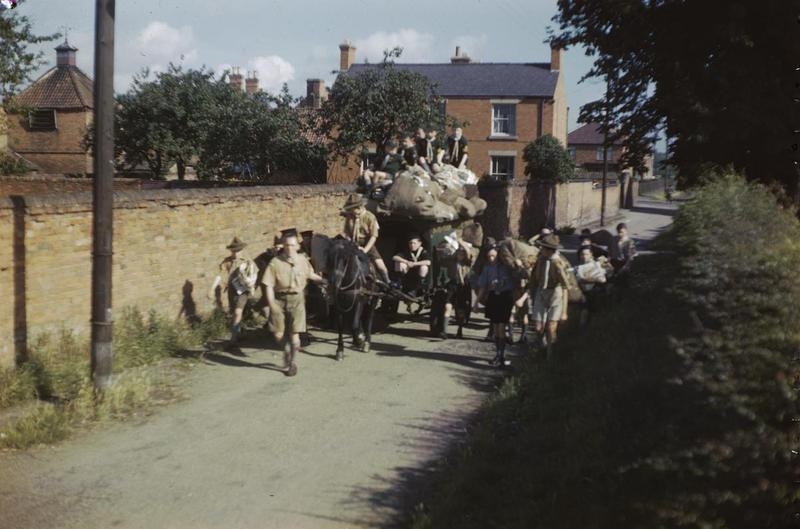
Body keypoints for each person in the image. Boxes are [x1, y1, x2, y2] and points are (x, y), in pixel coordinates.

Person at [262, 228, 326, 377]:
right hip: (278, 300)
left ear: (297, 246)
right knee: (278, 334)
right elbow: (268, 285)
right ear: (283, 246)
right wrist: (271, 303)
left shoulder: (303, 260)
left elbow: (310, 274)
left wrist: (322, 280)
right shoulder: (275, 263)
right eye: (287, 245)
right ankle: (286, 350)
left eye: (292, 245)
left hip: (297, 300)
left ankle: (292, 363)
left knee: (295, 336)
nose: (290, 248)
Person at [528, 234, 571, 358]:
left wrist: (564, 312)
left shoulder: (558, 264)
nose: (541, 250)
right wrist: (532, 294)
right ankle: (543, 343)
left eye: (543, 248)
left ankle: (550, 356)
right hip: (541, 292)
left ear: (550, 250)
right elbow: (534, 280)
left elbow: (565, 287)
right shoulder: (540, 260)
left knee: (551, 328)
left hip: (555, 294)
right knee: (538, 327)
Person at [473, 242, 515, 367]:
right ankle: (498, 354)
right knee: (496, 327)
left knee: (501, 327)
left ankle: (502, 355)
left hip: (505, 297)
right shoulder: (487, 268)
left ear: (499, 255)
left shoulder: (507, 267)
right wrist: (476, 303)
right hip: (493, 297)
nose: (491, 259)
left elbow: (517, 279)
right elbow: (482, 286)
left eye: (493, 256)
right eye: (489, 256)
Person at [211, 236, 258, 345]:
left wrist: (251, 285)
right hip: (232, 290)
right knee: (234, 313)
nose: (236, 253)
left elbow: (254, 275)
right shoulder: (227, 261)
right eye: (234, 251)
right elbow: (220, 274)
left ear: (242, 250)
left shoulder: (247, 262)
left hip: (243, 291)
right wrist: (212, 289)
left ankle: (233, 338)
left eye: (238, 250)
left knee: (237, 312)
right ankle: (239, 332)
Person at [340, 192, 391, 284]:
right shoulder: (349, 217)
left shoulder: (370, 217)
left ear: (359, 208)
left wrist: (365, 250)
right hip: (353, 243)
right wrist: (351, 243)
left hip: (367, 244)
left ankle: (388, 283)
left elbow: (373, 236)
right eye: (350, 209)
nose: (351, 211)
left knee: (381, 266)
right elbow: (346, 233)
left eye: (352, 209)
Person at [440, 240, 475, 339]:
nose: (460, 254)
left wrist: (461, 241)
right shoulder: (452, 260)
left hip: (463, 287)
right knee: (448, 307)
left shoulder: (467, 263)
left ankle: (460, 330)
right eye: (458, 251)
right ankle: (444, 331)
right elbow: (443, 255)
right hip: (453, 285)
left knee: (460, 310)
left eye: (462, 252)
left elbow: (469, 252)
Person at [573, 246, 608, 326]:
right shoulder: (578, 268)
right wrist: (595, 279)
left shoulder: (597, 264)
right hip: (585, 293)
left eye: (586, 254)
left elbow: (604, 279)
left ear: (591, 255)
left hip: (597, 292)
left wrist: (605, 263)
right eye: (582, 254)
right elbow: (580, 280)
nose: (584, 256)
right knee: (584, 312)